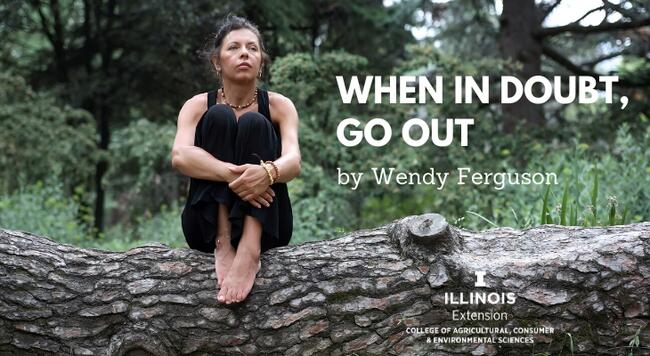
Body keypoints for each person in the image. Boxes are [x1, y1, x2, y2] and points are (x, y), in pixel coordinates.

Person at [171, 15, 301, 305]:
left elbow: (293, 161)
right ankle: (224, 241)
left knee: (255, 123)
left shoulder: (280, 106)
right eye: (234, 48)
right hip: (204, 225)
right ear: (217, 62)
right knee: (219, 117)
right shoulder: (197, 106)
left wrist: (267, 173)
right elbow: (181, 156)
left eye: (253, 48)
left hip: (270, 227)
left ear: (262, 62)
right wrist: (237, 175)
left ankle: (249, 249)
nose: (245, 53)